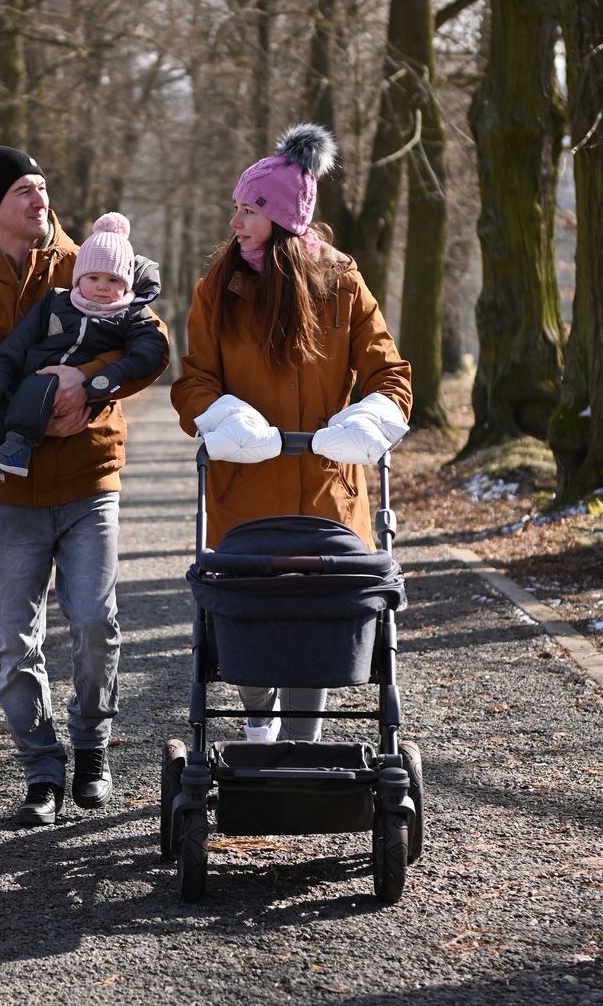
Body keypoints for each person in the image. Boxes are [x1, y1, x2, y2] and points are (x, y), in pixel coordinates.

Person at [0, 144, 169, 825]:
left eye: (42, 187)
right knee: (15, 643)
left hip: (89, 479)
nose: (41, 200)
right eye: (24, 191)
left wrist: (84, 391)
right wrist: (12, 425)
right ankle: (40, 769)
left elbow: (150, 342)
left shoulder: (91, 261)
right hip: (6, 494)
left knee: (95, 623)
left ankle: (91, 749)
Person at [171, 122, 411, 743]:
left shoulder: (341, 284)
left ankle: (301, 744)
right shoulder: (217, 290)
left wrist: (368, 417)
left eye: (249, 209)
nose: (235, 222)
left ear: (281, 217)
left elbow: (390, 373)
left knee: (321, 616)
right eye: (236, 207)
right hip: (243, 493)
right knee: (250, 614)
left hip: (328, 492)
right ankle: (257, 719)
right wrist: (224, 415)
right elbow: (192, 381)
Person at [0, 211, 166, 482]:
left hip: (80, 387)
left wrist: (112, 373)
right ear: (78, 278)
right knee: (0, 395)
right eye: (93, 278)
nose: (102, 287)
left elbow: (150, 352)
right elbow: (21, 339)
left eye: (113, 280)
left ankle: (17, 448)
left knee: (39, 383)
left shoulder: (131, 315)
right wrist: (1, 371)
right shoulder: (57, 301)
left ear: (126, 284)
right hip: (34, 373)